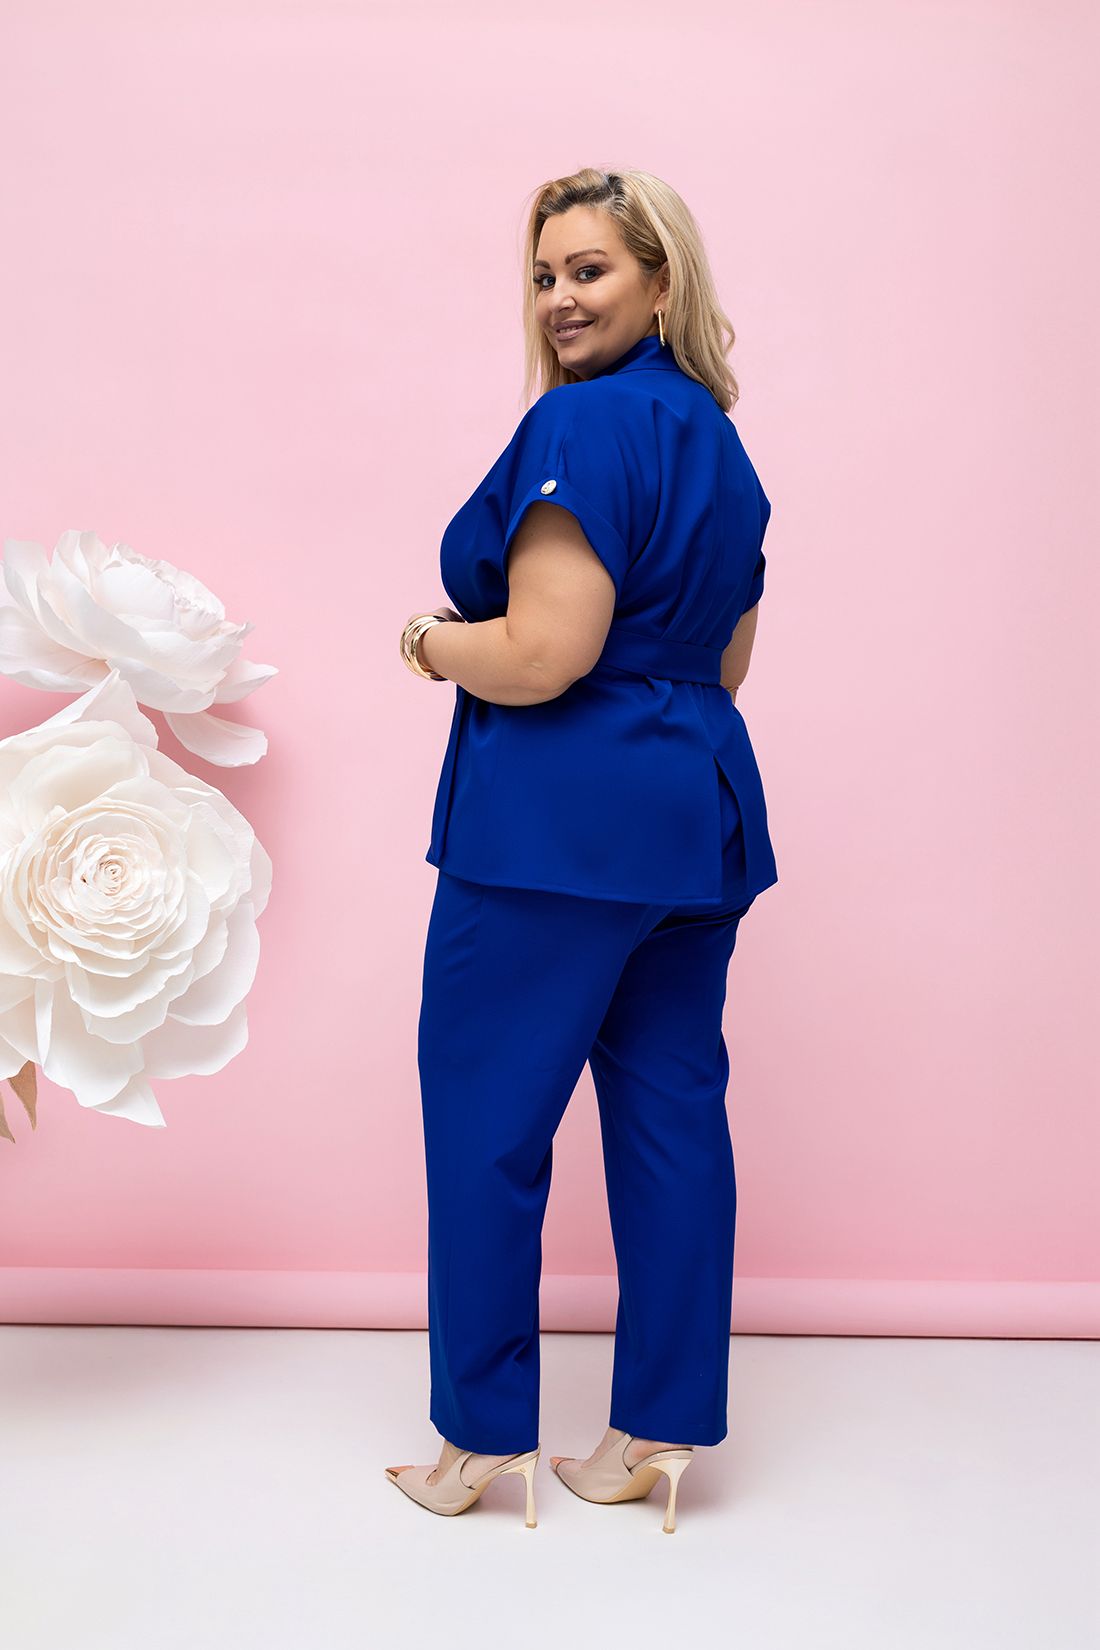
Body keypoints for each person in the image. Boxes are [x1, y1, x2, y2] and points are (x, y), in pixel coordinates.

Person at [388, 168, 778, 1533]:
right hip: (693, 816)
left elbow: (545, 653)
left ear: (660, 283)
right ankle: (654, 1433)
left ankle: (478, 1439)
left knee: (485, 1121)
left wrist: (429, 642)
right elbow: (728, 660)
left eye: (591, 270)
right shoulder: (719, 443)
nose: (560, 297)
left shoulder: (582, 424)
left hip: (555, 828)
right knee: (672, 1118)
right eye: (546, 274)